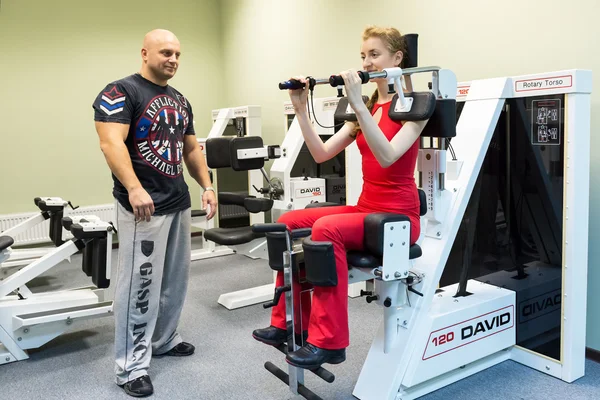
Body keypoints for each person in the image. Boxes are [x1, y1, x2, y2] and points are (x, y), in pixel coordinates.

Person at [252, 25, 428, 369]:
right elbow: (321, 153)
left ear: (397, 58)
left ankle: (329, 342)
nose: (367, 62)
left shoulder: (414, 105)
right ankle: (287, 321)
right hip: (367, 209)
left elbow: (389, 155)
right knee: (287, 222)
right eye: (363, 55)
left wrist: (362, 109)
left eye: (375, 55)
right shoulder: (365, 105)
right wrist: (302, 109)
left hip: (399, 217)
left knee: (327, 229)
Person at [93, 29, 217, 397]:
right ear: (145, 53)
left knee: (174, 282)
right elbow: (109, 141)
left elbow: (192, 150)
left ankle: (163, 340)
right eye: (166, 52)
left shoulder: (179, 100)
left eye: (178, 54)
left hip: (177, 202)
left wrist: (207, 186)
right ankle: (131, 367)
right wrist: (134, 188)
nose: (173, 60)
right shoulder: (120, 92)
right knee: (140, 286)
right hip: (143, 207)